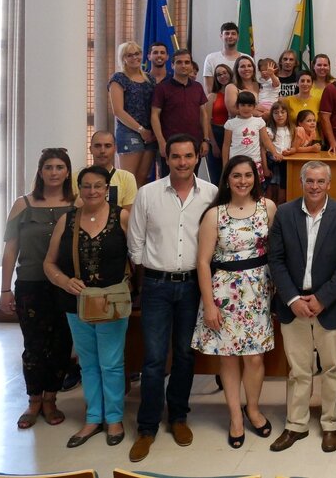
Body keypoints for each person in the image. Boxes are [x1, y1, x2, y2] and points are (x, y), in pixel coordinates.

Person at [127, 134, 218, 463]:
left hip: (193, 285)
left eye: (188, 156)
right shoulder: (148, 193)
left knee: (184, 355)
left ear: (197, 157)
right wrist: (148, 274)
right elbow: (135, 243)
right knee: (153, 359)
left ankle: (178, 416)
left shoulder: (211, 194)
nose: (182, 162)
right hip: (157, 285)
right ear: (166, 158)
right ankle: (147, 427)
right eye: (176, 156)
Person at [268, 161, 336, 453]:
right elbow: (275, 259)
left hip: (328, 305)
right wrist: (293, 299)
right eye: (310, 181)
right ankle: (296, 424)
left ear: (329, 184)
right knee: (298, 370)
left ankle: (331, 424)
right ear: (301, 182)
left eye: (321, 181)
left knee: (332, 368)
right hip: (293, 304)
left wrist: (322, 298)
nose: (315, 186)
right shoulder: (285, 214)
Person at [191, 155, 277, 448]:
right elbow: (203, 262)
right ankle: (235, 416)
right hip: (224, 294)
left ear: (256, 178)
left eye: (248, 175)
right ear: (227, 179)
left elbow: (276, 252)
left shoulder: (268, 208)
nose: (243, 181)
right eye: (236, 175)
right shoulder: (214, 215)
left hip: (258, 292)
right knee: (228, 358)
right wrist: (209, 304)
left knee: (254, 358)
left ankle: (252, 409)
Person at [44, 165, 130, 448]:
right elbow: (49, 263)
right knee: (88, 364)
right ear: (79, 189)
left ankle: (114, 418)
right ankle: (93, 417)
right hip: (76, 303)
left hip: (112, 303)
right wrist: (64, 281)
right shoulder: (67, 220)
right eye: (87, 186)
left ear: (107, 189)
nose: (92, 191)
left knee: (112, 364)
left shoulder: (121, 217)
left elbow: (137, 256)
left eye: (98, 185)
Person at [0, 148, 75, 430]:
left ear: (67, 172)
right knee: (33, 345)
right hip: (31, 284)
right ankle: (33, 401)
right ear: (40, 172)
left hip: (65, 286)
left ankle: (51, 399)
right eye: (48, 167)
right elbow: (10, 249)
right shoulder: (23, 204)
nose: (54, 172)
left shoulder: (77, 204)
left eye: (59, 167)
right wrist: (4, 290)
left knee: (61, 344)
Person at [150, 49, 212, 173]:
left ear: (191, 65)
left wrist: (205, 140)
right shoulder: (162, 88)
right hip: (171, 144)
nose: (183, 65)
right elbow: (154, 115)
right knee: (168, 180)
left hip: (194, 143)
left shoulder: (197, 87)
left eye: (187, 62)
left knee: (192, 178)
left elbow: (203, 115)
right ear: (172, 65)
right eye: (179, 62)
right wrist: (161, 142)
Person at [109, 41, 158, 186]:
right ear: (123, 58)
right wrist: (140, 130)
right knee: (128, 179)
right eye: (129, 55)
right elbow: (118, 111)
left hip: (149, 134)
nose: (134, 57)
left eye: (137, 53)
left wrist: (150, 131)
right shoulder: (118, 78)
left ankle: (138, 203)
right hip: (129, 132)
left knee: (143, 178)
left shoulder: (150, 79)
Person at [221, 90, 284, 179]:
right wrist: (225, 166)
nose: (246, 108)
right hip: (236, 162)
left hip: (254, 162)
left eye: (249, 105)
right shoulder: (230, 124)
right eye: (243, 105)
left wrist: (275, 153)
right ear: (237, 106)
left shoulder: (259, 122)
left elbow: (266, 140)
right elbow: (226, 145)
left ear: (254, 107)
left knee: (255, 186)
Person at [80, 131, 138, 211]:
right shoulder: (77, 178)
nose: (102, 151)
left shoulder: (127, 178)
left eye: (107, 146)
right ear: (90, 149)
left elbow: (129, 214)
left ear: (115, 149)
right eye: (97, 146)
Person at [206, 63, 234, 185]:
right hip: (216, 134)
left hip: (234, 135)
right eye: (218, 75)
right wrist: (213, 144)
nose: (222, 76)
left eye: (224, 73)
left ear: (230, 74)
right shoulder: (212, 96)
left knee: (232, 171)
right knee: (217, 175)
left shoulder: (237, 93)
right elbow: (207, 122)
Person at [202, 22, 243, 90]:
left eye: (233, 33)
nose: (230, 36)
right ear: (221, 36)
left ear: (238, 37)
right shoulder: (211, 59)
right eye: (227, 33)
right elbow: (209, 89)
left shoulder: (247, 59)